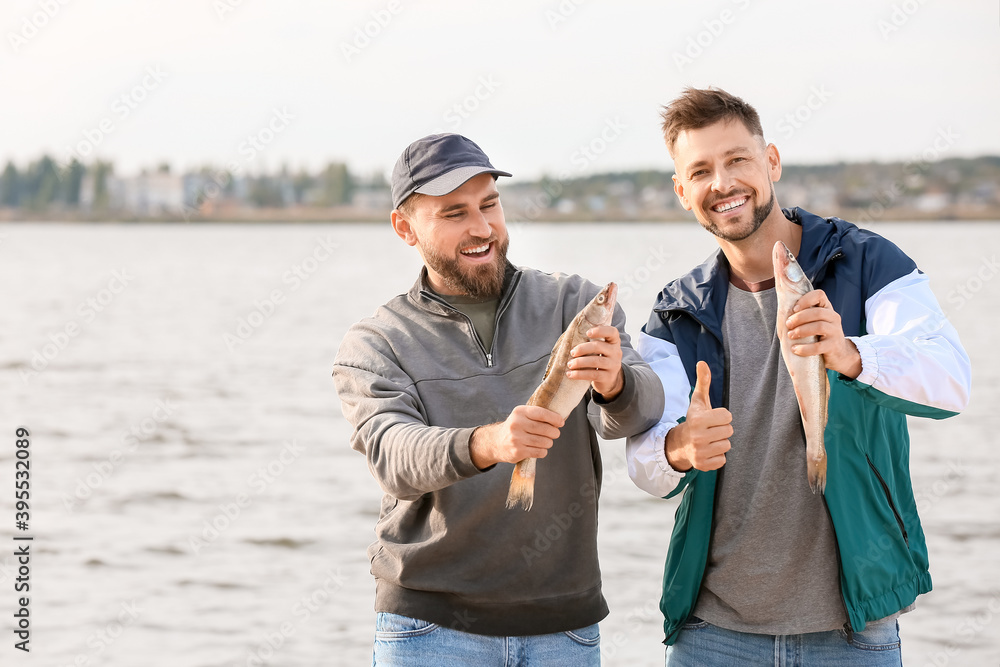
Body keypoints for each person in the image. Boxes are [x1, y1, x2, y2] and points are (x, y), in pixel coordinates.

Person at [625, 88, 971, 666]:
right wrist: (679, 447)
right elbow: (646, 470)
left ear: (772, 162)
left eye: (738, 159)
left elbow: (951, 376)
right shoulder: (674, 311)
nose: (724, 183)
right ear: (683, 193)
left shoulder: (866, 262)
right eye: (701, 171)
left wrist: (853, 353)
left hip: (853, 631)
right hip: (712, 634)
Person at [333, 133, 663, 665]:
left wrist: (616, 383)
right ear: (405, 227)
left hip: (565, 628)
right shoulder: (376, 342)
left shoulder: (573, 303)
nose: (482, 228)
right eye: (454, 213)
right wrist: (489, 443)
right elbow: (394, 457)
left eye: (490, 205)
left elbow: (643, 411)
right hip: (428, 628)